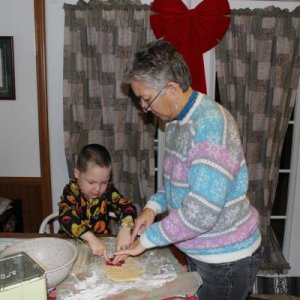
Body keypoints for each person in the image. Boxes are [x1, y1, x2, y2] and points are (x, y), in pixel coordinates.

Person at [115, 39, 263, 300]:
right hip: (200, 250)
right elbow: (174, 182)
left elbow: (200, 213)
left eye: (146, 99)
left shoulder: (211, 127)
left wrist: (147, 240)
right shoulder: (175, 121)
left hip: (226, 258)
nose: (144, 108)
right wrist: (152, 208)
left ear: (171, 88)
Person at [58, 143, 137, 259]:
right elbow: (66, 216)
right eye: (91, 182)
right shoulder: (71, 191)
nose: (98, 189)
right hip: (71, 246)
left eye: (104, 182)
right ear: (77, 174)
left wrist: (126, 228)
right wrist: (89, 237)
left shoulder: (107, 191)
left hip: (101, 245)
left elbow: (127, 207)